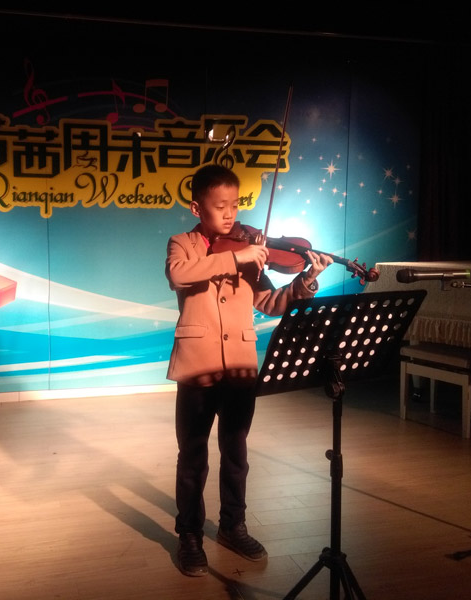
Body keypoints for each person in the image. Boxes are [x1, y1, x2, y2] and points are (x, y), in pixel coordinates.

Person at [165, 164, 332, 577]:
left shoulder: (250, 249)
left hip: (240, 364)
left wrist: (306, 280)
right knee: (192, 455)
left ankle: (232, 526)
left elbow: (270, 303)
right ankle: (189, 534)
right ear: (196, 207)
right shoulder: (183, 244)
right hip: (197, 364)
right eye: (220, 205)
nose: (229, 214)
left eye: (235, 205)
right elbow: (179, 275)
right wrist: (235, 258)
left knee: (236, 452)